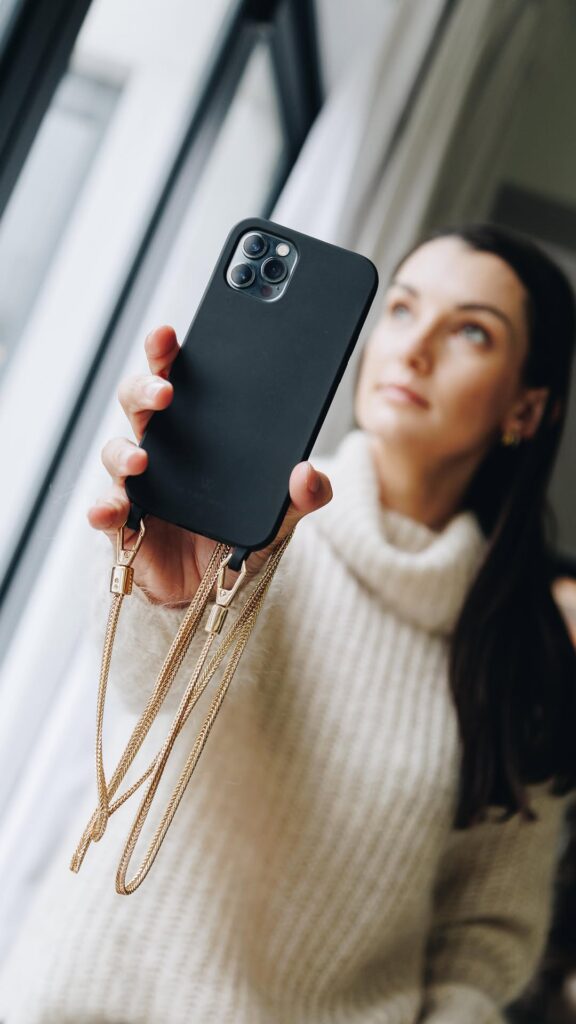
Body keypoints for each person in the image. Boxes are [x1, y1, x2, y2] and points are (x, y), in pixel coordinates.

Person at [1, 223, 575, 1023]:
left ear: (527, 406)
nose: (414, 348)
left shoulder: (525, 651)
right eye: (402, 309)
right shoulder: (261, 530)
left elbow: (487, 930)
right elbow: (142, 695)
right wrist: (168, 598)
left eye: (472, 331)